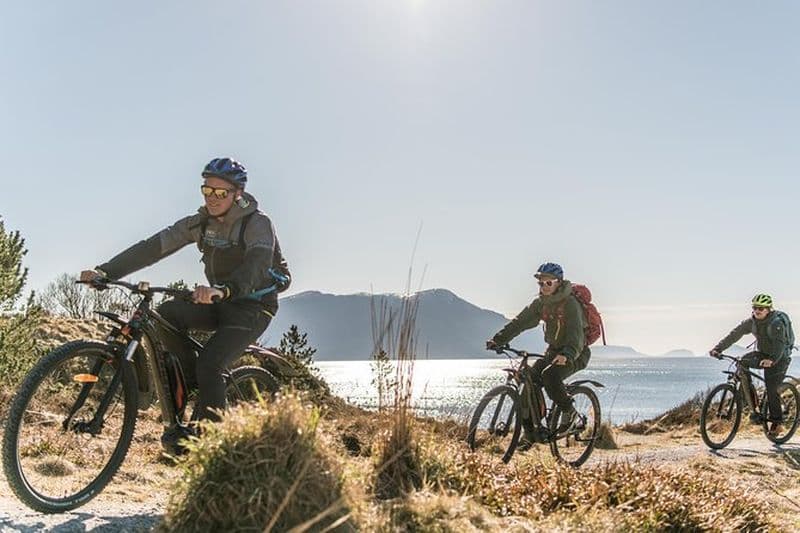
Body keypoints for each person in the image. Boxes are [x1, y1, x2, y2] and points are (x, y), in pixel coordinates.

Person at [80, 157, 289, 453]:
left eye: (221, 193)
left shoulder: (258, 224)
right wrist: (106, 272)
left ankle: (210, 446)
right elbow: (152, 247)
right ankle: (195, 385)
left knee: (211, 363)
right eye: (207, 191)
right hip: (217, 300)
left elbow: (256, 265)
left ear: (237, 194)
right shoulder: (199, 223)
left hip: (253, 306)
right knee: (166, 315)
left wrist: (225, 290)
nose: (212, 198)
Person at [486, 262, 591, 448]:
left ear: (559, 282)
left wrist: (567, 354)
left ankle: (570, 412)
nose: (543, 287)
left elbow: (576, 335)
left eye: (548, 283)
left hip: (576, 353)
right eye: (541, 283)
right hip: (552, 352)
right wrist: (498, 339)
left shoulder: (570, 305)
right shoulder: (540, 304)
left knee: (550, 376)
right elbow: (520, 322)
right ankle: (530, 433)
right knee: (528, 381)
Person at [710, 294, 795, 435]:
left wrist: (772, 360)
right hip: (763, 354)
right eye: (755, 307)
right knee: (742, 363)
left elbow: (779, 346)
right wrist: (718, 348)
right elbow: (734, 334)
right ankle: (754, 407)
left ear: (768, 309)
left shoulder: (776, 323)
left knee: (771, 388)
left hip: (780, 358)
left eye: (761, 308)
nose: (757, 311)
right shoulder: (752, 322)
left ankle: (777, 422)